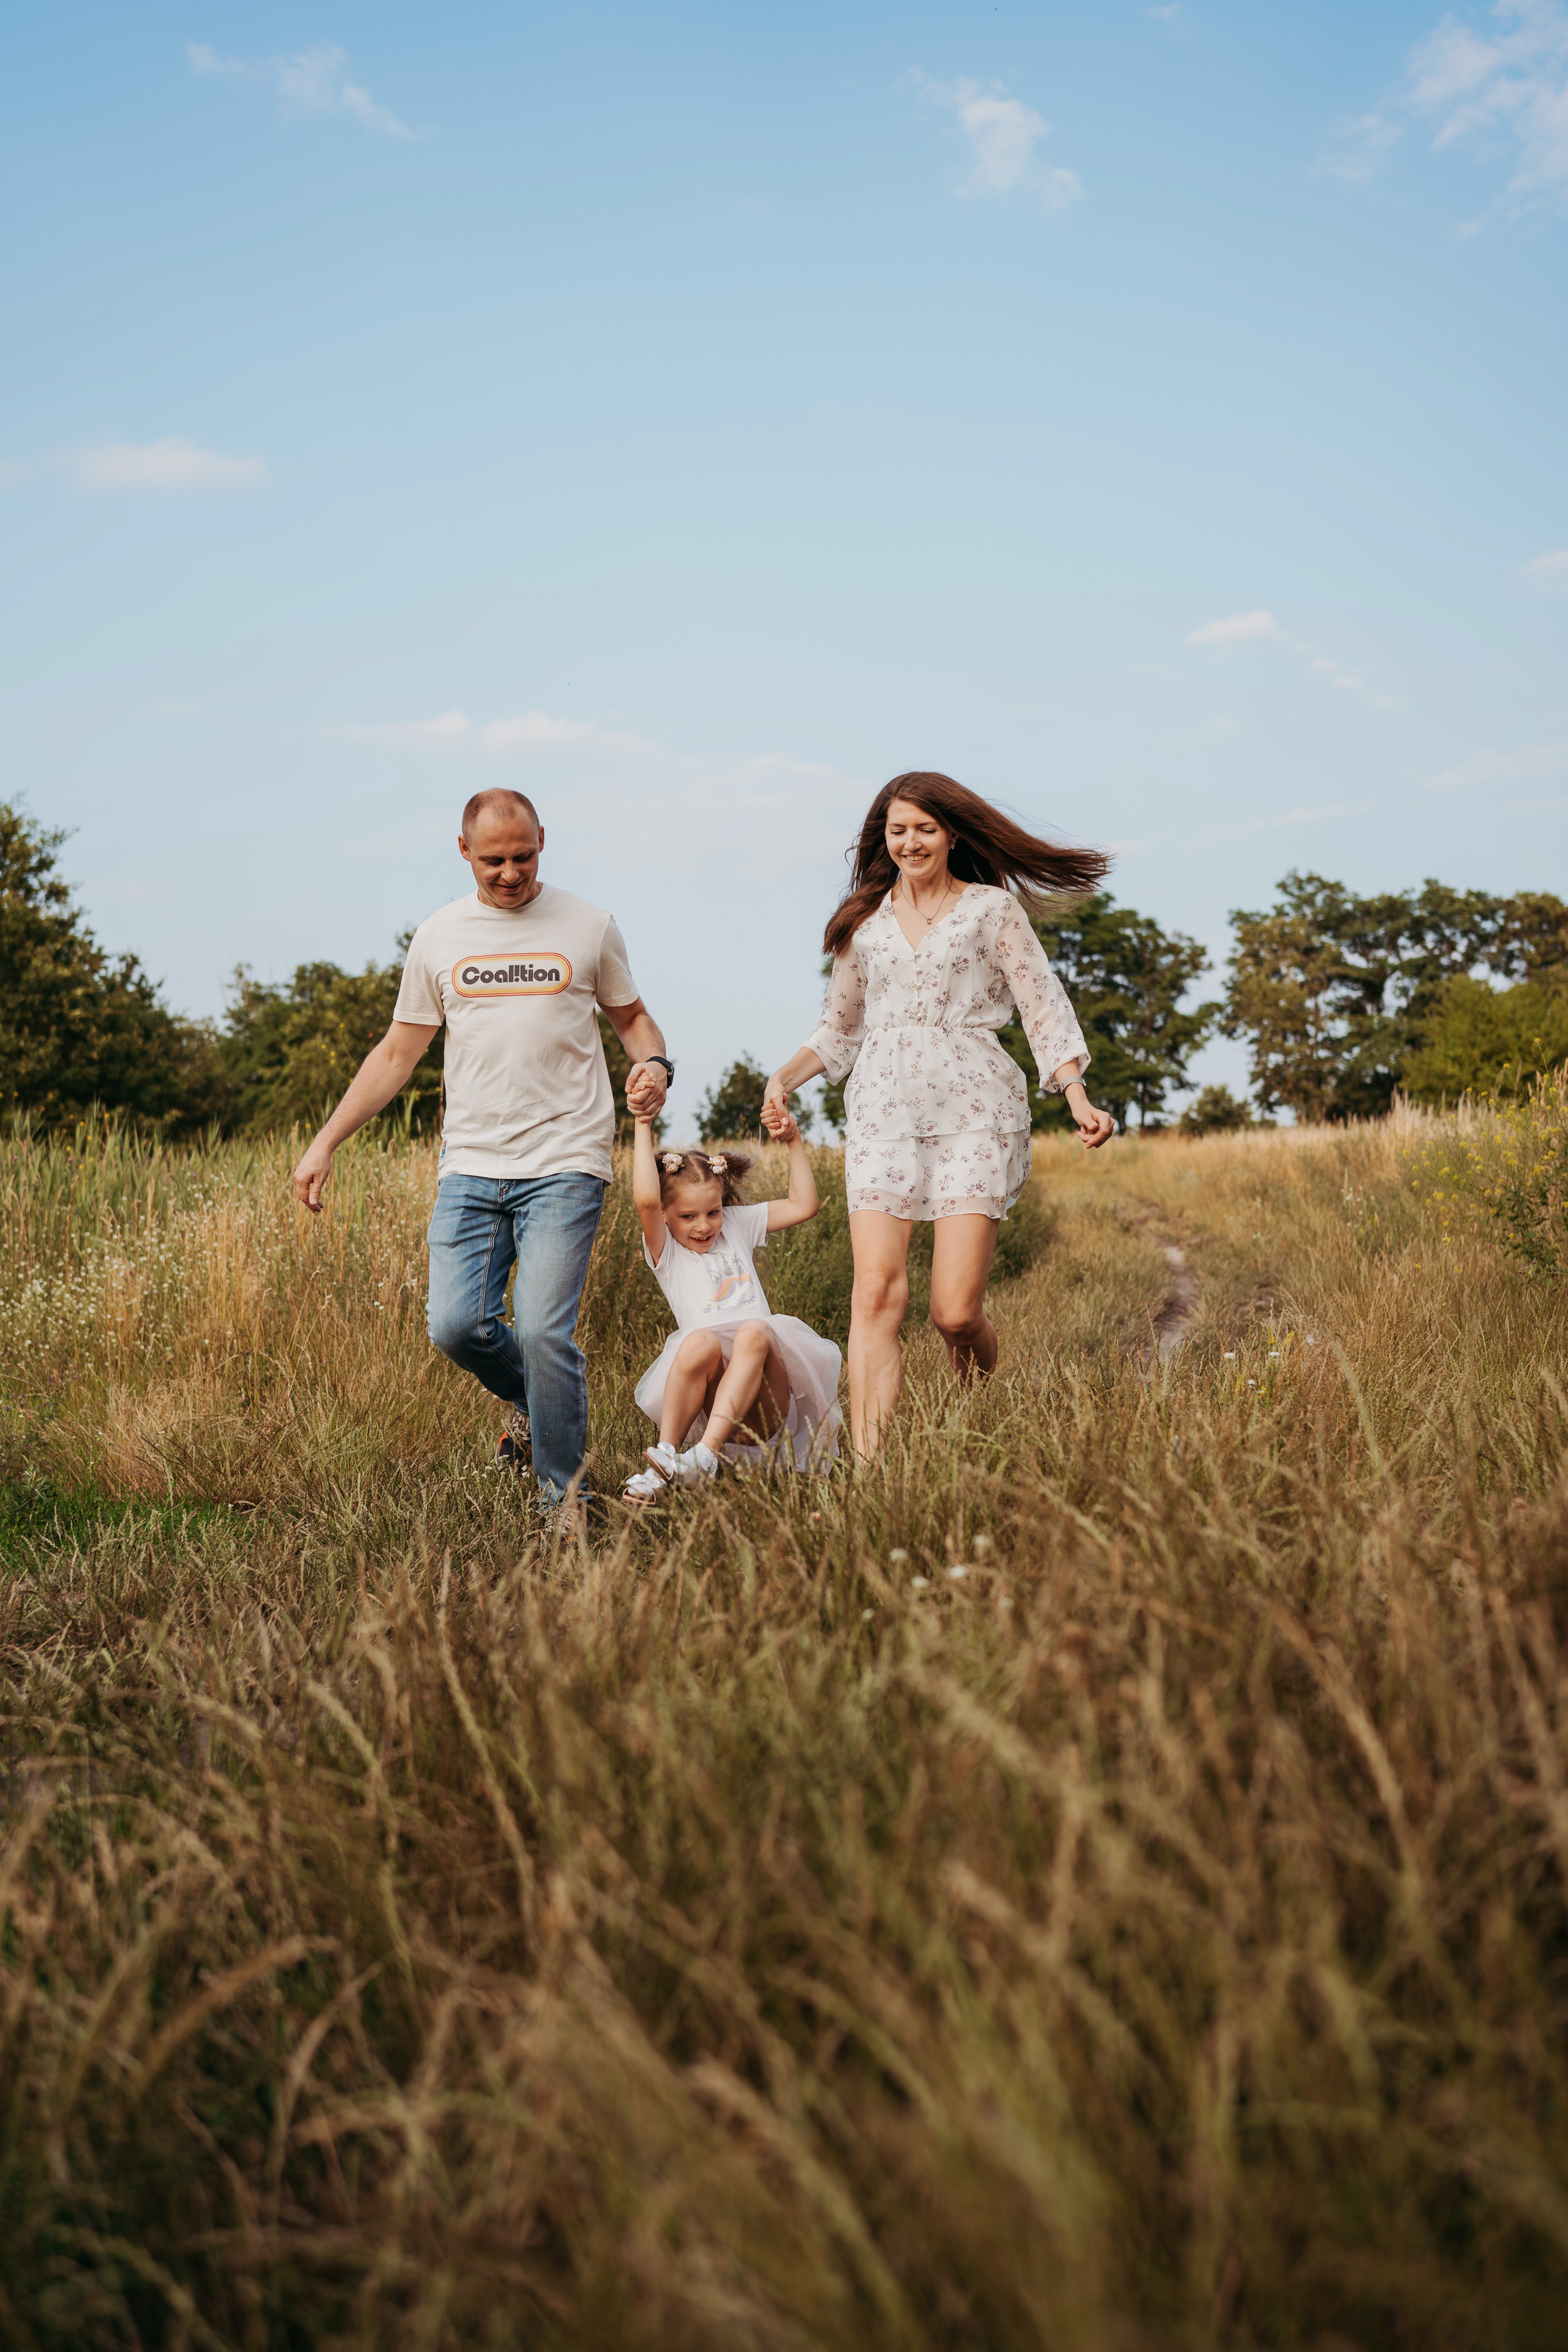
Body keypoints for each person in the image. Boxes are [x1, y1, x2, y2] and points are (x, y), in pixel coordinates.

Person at [291, 787, 671, 1516]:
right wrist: (325, 1141)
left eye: (523, 856)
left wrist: (654, 1065)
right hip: (470, 1163)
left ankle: (566, 1502)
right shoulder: (438, 937)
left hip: (566, 1156)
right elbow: (398, 1053)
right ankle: (539, 1404)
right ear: (463, 852)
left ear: (541, 844)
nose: (509, 873)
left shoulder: (588, 926)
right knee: (455, 1326)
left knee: (540, 1328)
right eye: (492, 859)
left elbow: (634, 1020)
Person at [763, 771, 1116, 1456]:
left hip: (976, 1112)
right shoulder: (864, 924)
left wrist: (1077, 1096)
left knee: (954, 1314)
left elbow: (1042, 1004)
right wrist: (784, 1077)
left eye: (925, 828)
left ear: (952, 833)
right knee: (875, 1296)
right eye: (898, 830)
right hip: (881, 1112)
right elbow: (839, 1029)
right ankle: (867, 1470)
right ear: (882, 837)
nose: (911, 841)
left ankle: (977, 1409)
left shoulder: (990, 910)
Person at [622, 1101, 843, 1500]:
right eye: (688, 1217)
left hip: (766, 1408)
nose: (704, 1225)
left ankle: (704, 1458)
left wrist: (793, 1141)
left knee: (755, 1331)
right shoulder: (666, 1252)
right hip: (710, 1404)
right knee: (699, 1342)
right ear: (667, 1217)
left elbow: (803, 1206)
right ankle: (665, 1461)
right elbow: (645, 1201)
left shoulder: (738, 1227)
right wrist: (642, 1123)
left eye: (713, 1211)